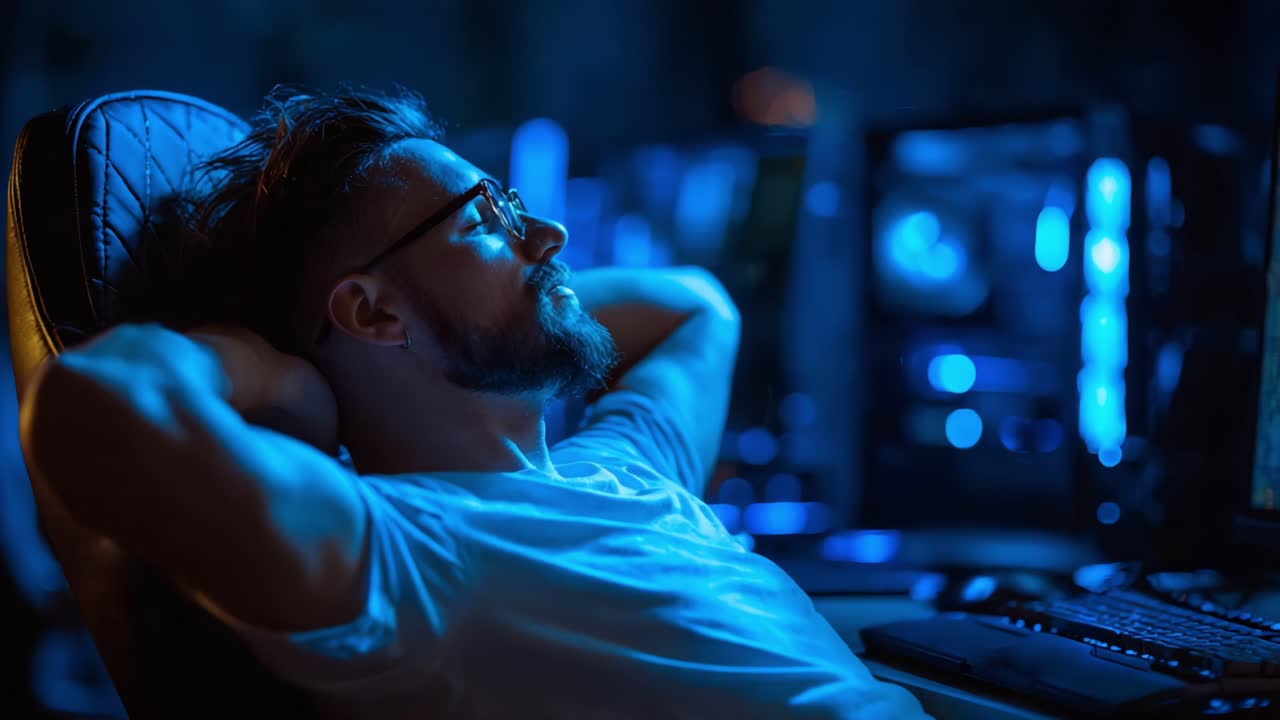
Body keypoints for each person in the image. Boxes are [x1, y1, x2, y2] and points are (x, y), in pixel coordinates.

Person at [19, 88, 930, 719]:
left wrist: (513, 305)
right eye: (485, 219)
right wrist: (282, 380)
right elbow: (91, 401)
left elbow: (696, 305)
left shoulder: (624, 468)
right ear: (371, 312)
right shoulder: (406, 555)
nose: (550, 234)